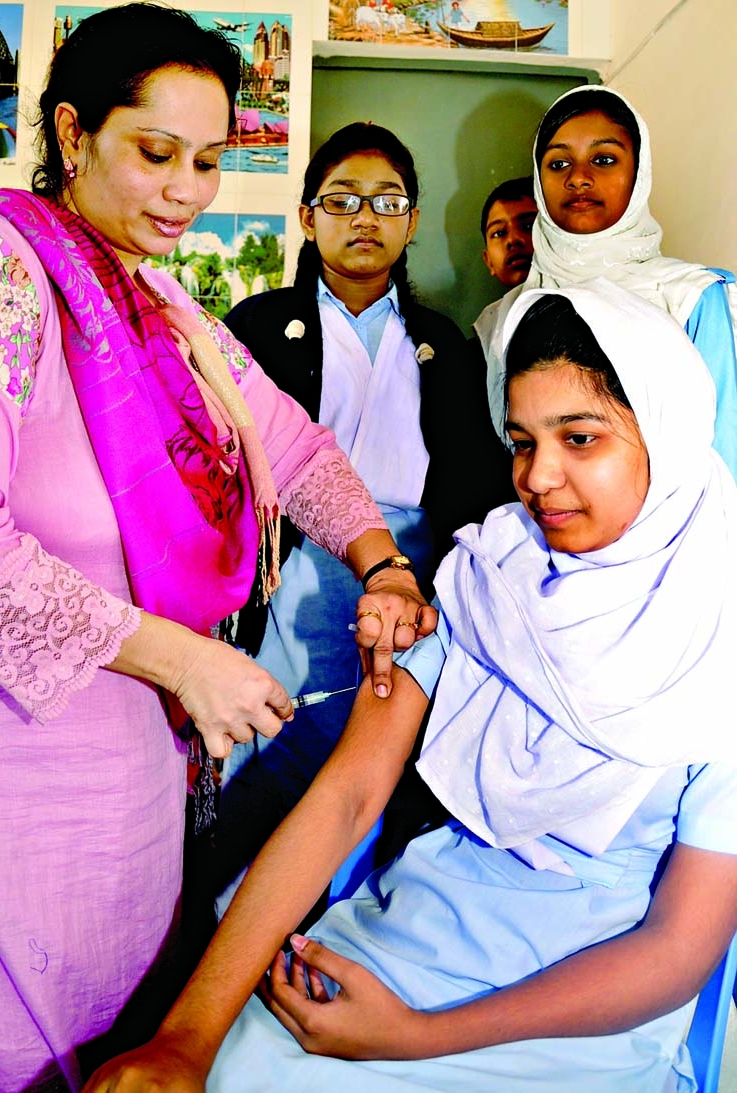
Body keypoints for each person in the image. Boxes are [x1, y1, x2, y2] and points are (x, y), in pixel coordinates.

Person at [0, 6, 437, 1090]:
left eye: (207, 160)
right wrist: (187, 660)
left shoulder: (160, 303)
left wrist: (381, 561)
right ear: (72, 130)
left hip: (136, 777)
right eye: (156, 154)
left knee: (130, 1044)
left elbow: (296, 446)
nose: (188, 191)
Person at [82, 280, 737, 1093]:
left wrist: (418, 1038)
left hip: (579, 1018)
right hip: (409, 943)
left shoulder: (721, 647)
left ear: (667, 437)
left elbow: (679, 948)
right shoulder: (487, 578)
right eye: (523, 441)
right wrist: (189, 1038)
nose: (539, 477)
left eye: (580, 437)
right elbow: (348, 793)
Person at [211, 122, 512, 915]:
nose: (365, 217)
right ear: (308, 217)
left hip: (410, 583)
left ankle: (341, 937)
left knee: (382, 777)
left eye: (387, 201)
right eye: (342, 200)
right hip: (292, 571)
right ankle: (240, 931)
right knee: (270, 750)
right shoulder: (257, 324)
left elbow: (476, 486)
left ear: (412, 221)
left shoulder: (443, 342)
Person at [475, 85, 737, 481]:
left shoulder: (690, 297)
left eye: (603, 159)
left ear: (639, 173)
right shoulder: (505, 317)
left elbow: (722, 463)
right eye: (559, 164)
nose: (579, 178)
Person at [479, 175, 537, 288]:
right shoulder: (497, 307)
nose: (513, 239)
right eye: (499, 233)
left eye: (529, 226)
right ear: (488, 261)